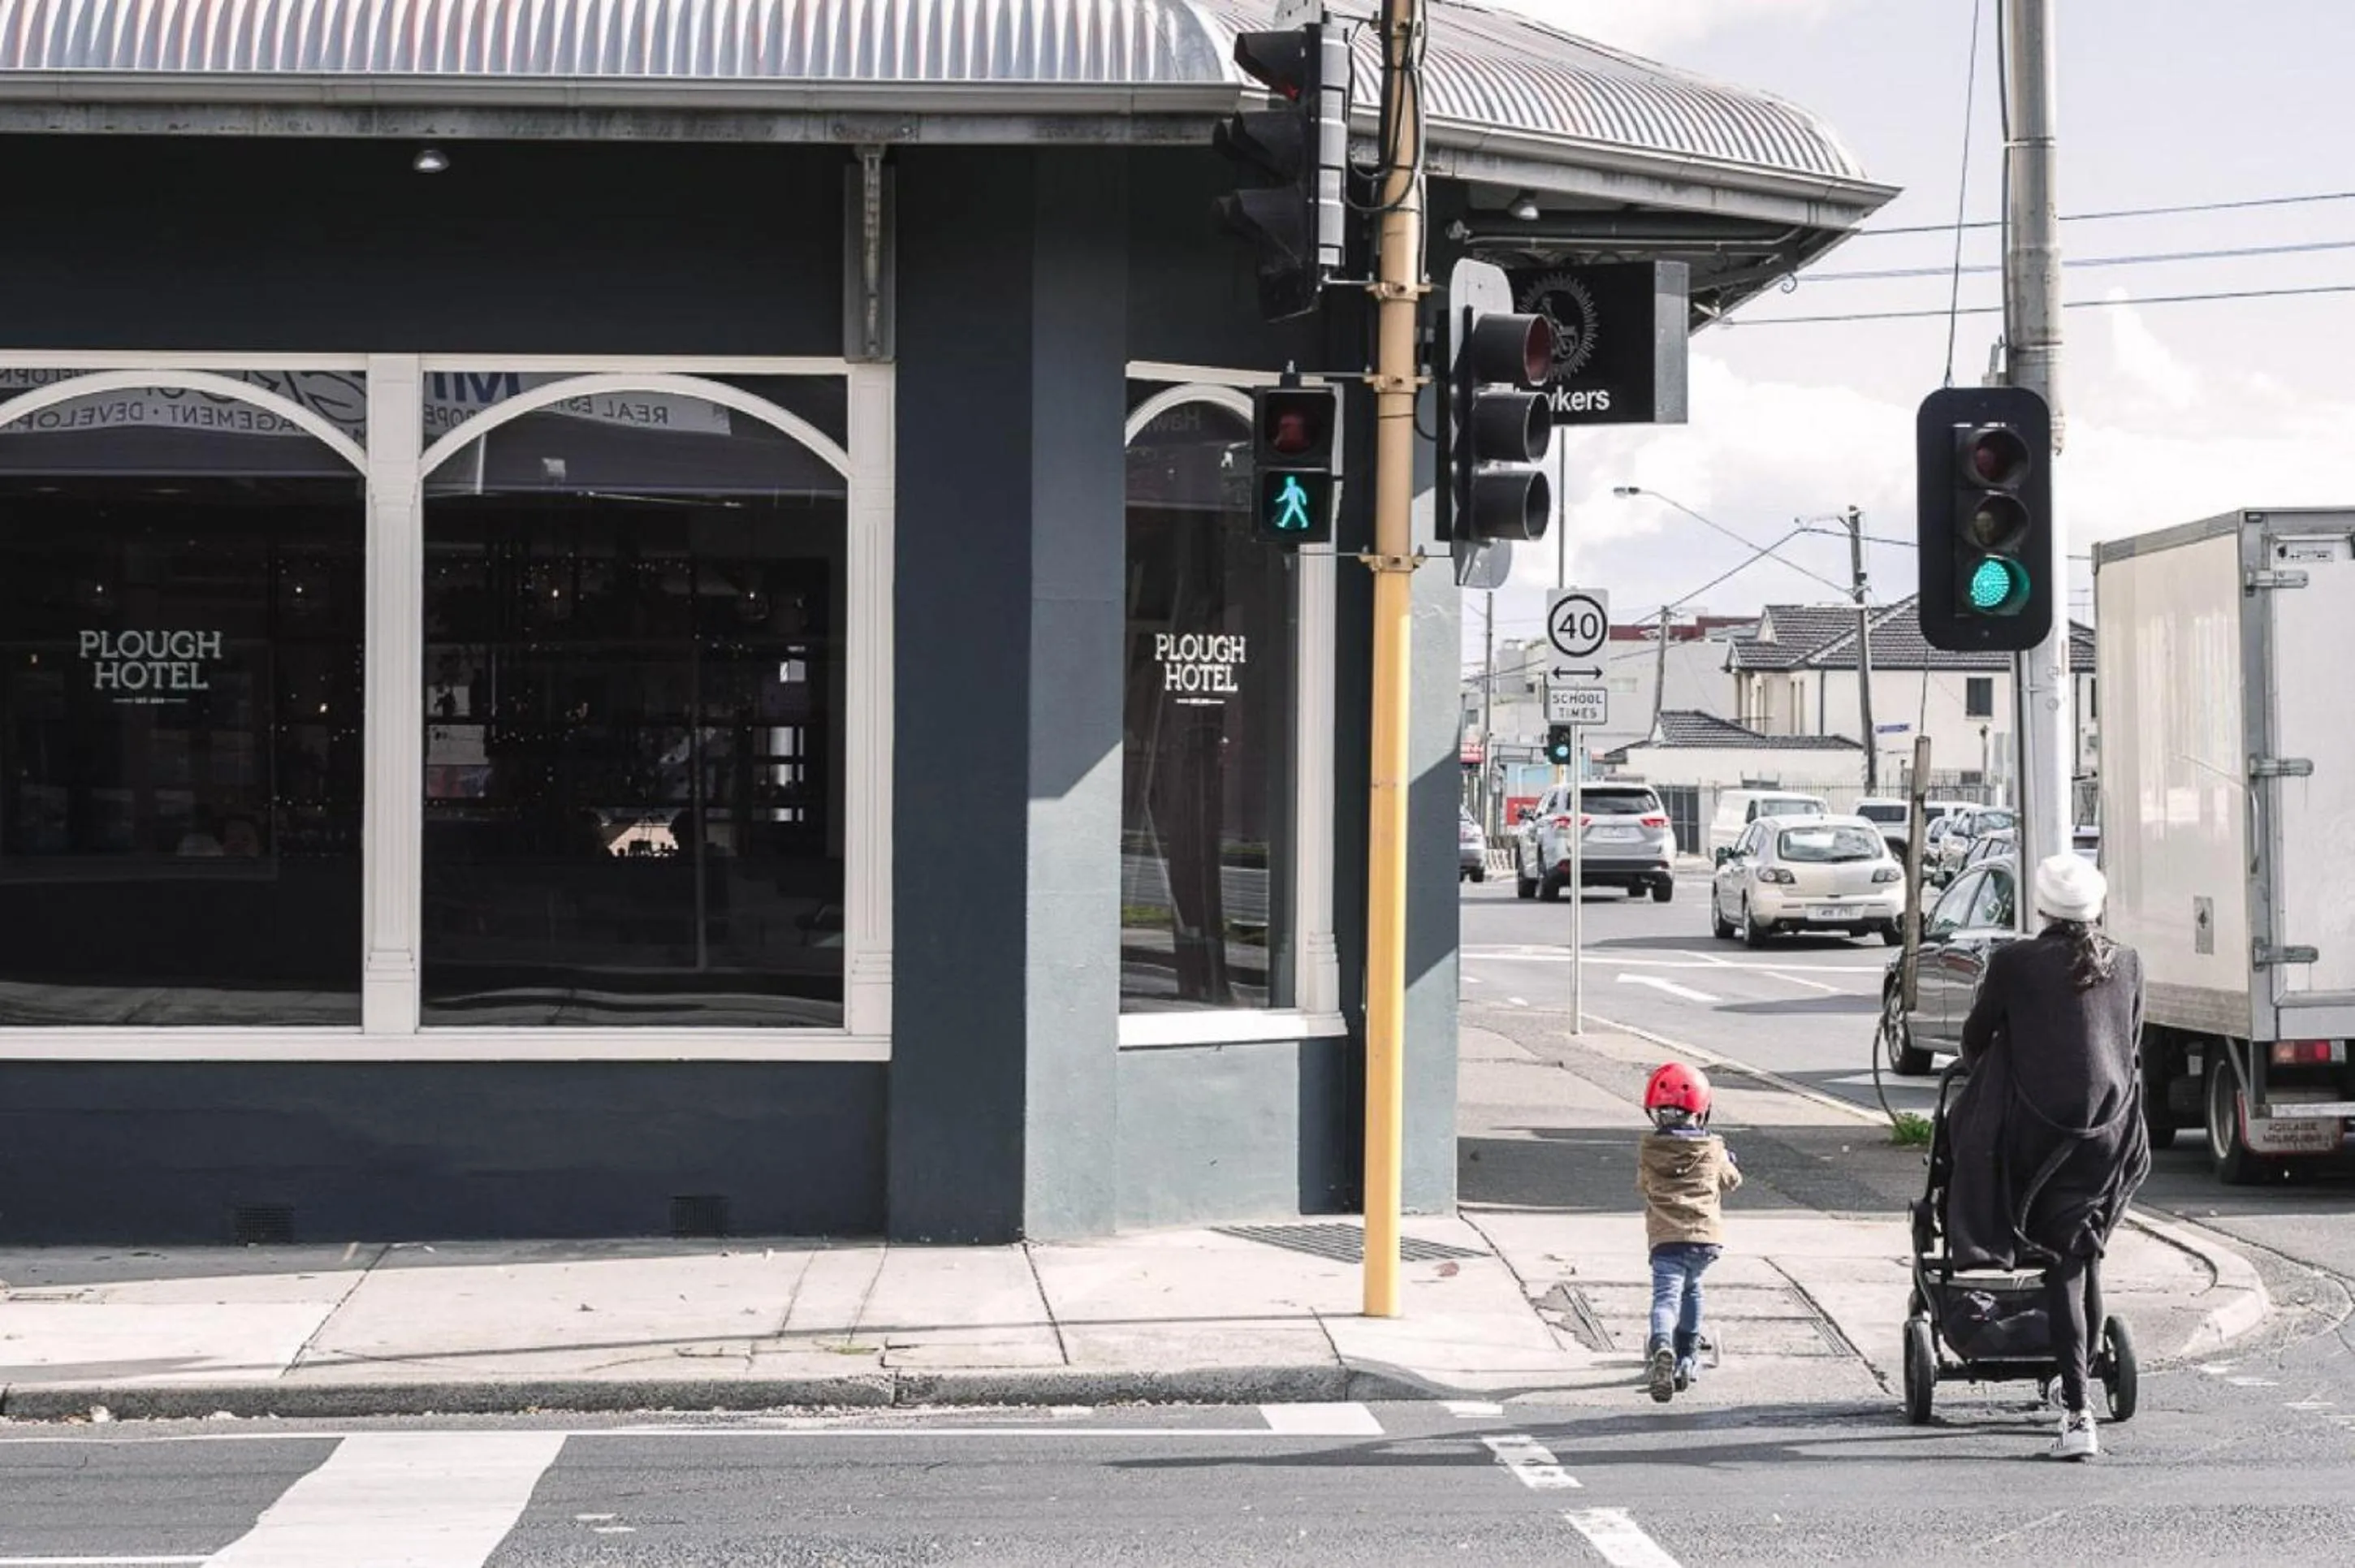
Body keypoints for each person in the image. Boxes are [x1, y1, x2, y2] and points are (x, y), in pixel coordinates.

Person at [1954, 853, 2150, 1462]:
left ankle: (2076, 1411)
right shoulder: (2130, 962)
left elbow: (1974, 1038)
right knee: (2082, 1251)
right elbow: (2130, 1041)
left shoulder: (2014, 962)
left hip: (2043, 1143)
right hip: (2113, 1140)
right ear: (2097, 909)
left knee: (2065, 1260)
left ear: (2040, 909)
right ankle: (2080, 1368)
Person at [1637, 1061, 1742, 1404]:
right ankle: (1686, 1356)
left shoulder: (1649, 1150)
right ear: (1702, 1111)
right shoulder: (1713, 1149)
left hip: (1666, 1239)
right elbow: (1732, 1181)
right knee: (1693, 1289)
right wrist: (1727, 1161)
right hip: (1703, 1239)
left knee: (1665, 1298)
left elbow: (1642, 1185)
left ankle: (1662, 1345)